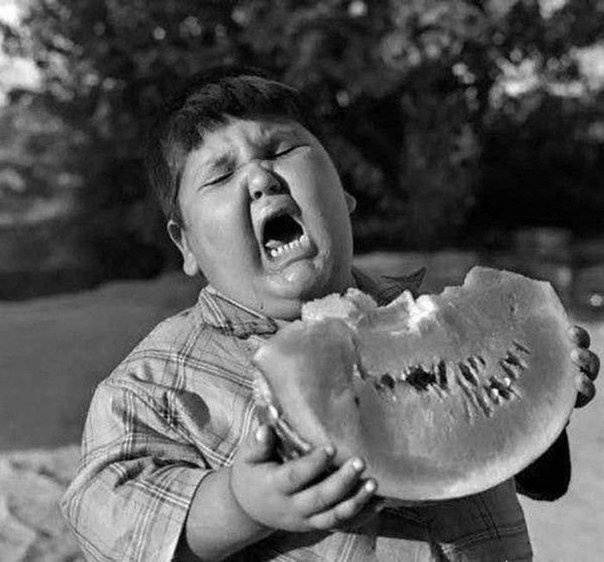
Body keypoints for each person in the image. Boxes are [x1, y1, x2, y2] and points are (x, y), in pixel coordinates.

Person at [61, 66, 599, 561]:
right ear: (186, 245)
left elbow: (529, 474)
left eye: (280, 149)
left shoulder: (431, 324)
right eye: (220, 176)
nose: (261, 178)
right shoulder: (154, 386)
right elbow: (115, 523)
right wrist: (240, 505)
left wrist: (534, 391)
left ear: (343, 194)